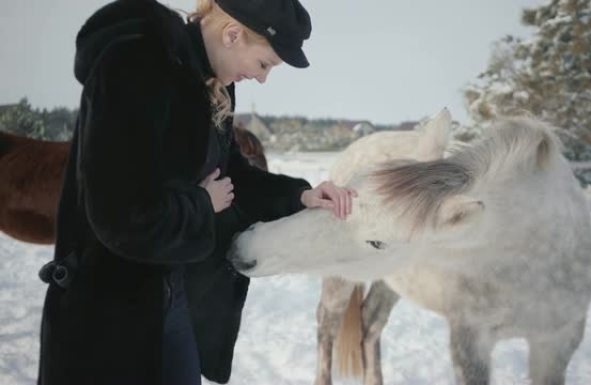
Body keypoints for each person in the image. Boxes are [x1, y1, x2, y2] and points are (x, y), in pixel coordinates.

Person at [36, 0, 355, 384]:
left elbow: (231, 174)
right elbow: (117, 215)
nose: (262, 78)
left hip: (173, 296)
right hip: (110, 312)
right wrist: (201, 206)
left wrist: (300, 196)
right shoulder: (134, 66)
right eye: (265, 64)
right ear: (233, 35)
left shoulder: (214, 85)